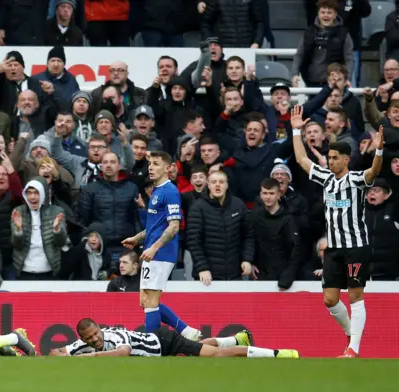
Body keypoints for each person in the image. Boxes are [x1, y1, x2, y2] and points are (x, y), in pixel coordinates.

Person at [290, 104, 383, 358]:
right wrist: (296, 131)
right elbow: (301, 160)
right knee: (330, 300)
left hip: (356, 246)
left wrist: (379, 150)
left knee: (355, 296)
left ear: (346, 159)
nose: (330, 161)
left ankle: (353, 348)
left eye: (334, 158)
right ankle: (351, 333)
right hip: (333, 248)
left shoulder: (356, 180)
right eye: (329, 158)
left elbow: (374, 171)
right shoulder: (326, 178)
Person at [121, 151, 201, 341]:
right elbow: (155, 226)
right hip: (151, 250)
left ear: (168, 168)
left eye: (156, 164)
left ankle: (152, 343)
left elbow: (174, 227)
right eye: (150, 164)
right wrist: (138, 238)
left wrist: (154, 248)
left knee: (150, 300)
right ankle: (186, 331)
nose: (151, 167)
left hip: (160, 252)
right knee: (145, 301)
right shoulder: (157, 191)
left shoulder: (170, 191)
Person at [50, 318, 299, 358]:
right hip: (158, 350)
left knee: (215, 356)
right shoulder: (81, 343)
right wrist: (67, 355)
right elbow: (54, 353)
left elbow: (122, 353)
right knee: (198, 348)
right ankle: (238, 338)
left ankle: (278, 354)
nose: (94, 339)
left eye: (95, 334)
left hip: (165, 342)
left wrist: (88, 357)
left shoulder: (113, 337)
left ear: (99, 329)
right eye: (89, 338)